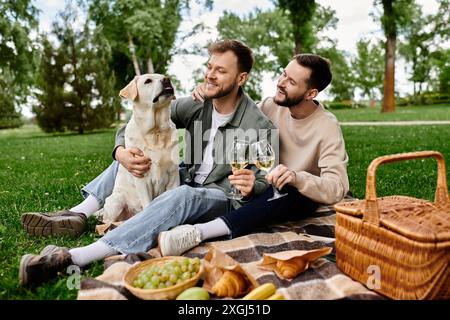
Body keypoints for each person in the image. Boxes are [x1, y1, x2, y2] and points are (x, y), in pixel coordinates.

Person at [19, 39, 277, 287]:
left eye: (220, 71)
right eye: (209, 67)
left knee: (182, 195)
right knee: (137, 158)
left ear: (241, 78)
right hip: (186, 177)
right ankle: (79, 213)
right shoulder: (197, 106)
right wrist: (121, 151)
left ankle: (74, 257)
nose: (210, 75)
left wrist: (252, 185)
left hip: (218, 195)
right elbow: (136, 125)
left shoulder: (260, 126)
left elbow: (266, 179)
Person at [157, 53, 349, 257]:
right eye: (283, 74)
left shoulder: (327, 126)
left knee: (285, 192)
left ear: (311, 94)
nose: (281, 83)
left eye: (291, 81)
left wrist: (297, 177)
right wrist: (211, 94)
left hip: (294, 194)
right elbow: (235, 111)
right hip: (260, 182)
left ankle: (198, 233)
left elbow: (337, 187)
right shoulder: (269, 106)